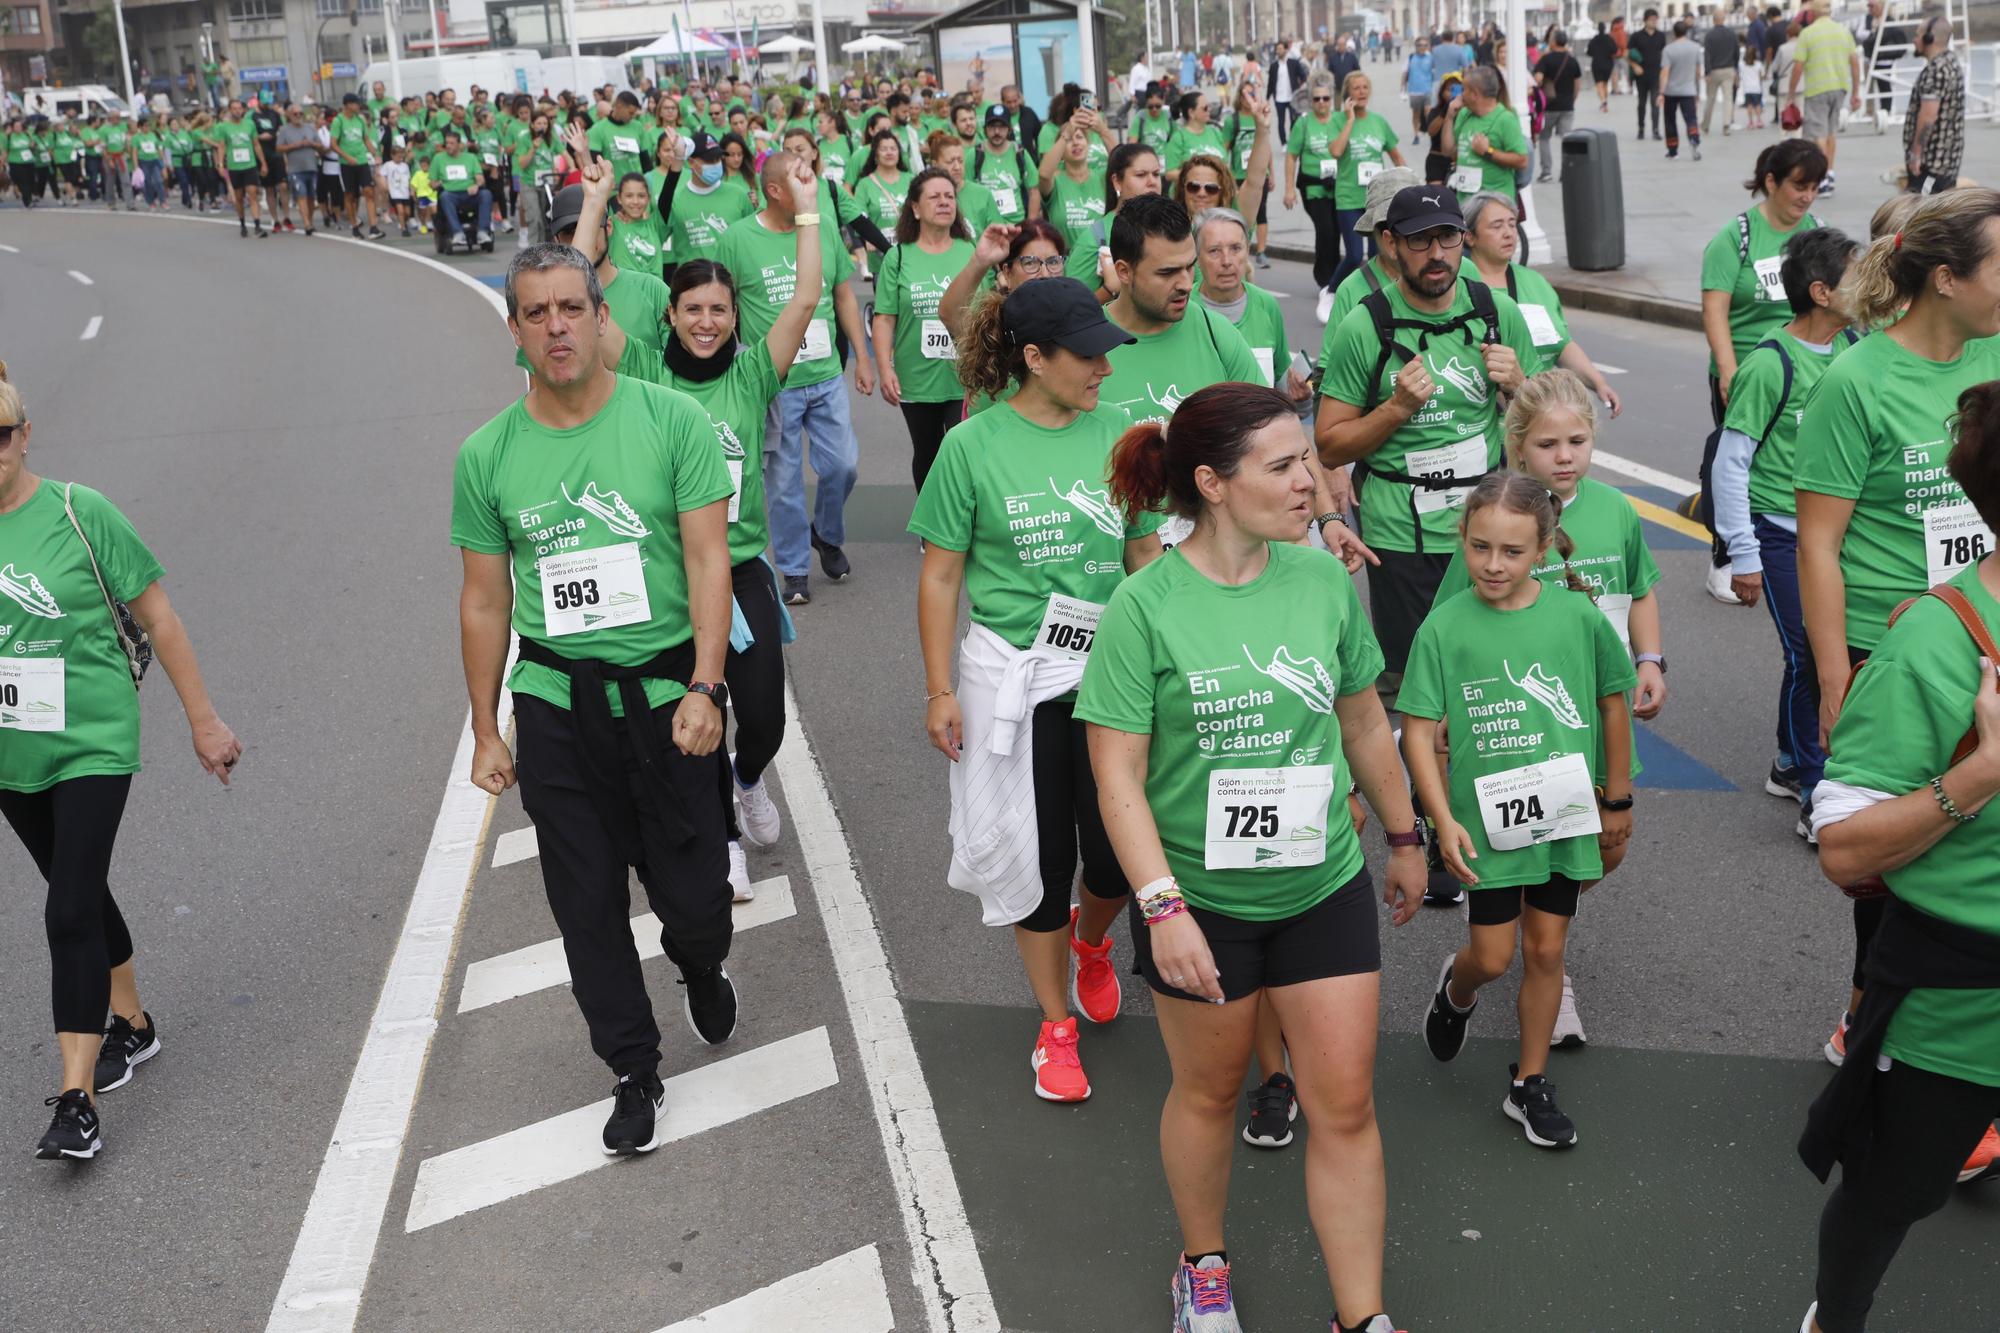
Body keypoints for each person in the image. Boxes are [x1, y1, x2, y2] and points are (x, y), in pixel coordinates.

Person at [1080, 380, 1424, 1333]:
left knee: (1344, 1103)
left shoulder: (1319, 578)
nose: (1310, 479)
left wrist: (1403, 835)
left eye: (1308, 458)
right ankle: (1203, 1266)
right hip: (1199, 902)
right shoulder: (1143, 607)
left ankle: (1363, 1317)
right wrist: (1160, 906)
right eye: (1283, 464)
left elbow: (1361, 717)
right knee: (1212, 1088)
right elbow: (1118, 778)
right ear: (1213, 483)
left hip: (1321, 885)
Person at [452, 244, 738, 1157]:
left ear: (599, 313)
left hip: (666, 696)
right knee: (584, 903)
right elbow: (485, 599)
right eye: (535, 313)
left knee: (694, 897)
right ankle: (632, 1065)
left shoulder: (671, 420)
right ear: (515, 330)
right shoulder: (486, 455)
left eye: (571, 307)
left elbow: (706, 560)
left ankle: (697, 959)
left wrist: (705, 683)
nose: (557, 327)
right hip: (557, 702)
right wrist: (483, 725)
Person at [911, 276, 1162, 1107]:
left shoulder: (1120, 433)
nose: (1103, 367)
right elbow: (941, 574)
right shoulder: (971, 447)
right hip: (1014, 679)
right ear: (1032, 357)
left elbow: (1144, 557)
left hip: (1110, 679)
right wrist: (939, 686)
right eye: (1086, 354)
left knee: (1119, 857)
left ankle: (1094, 943)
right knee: (1039, 858)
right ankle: (1054, 1023)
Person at [0, 363, 243, 1161]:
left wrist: (202, 722)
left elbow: (159, 614)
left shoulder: (78, 511)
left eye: (2, 435)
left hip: (94, 739)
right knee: (78, 883)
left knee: (66, 908)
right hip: (12, 747)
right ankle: (132, 1023)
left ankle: (77, 1101)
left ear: (26, 434)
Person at [1800, 378, 2000, 1333]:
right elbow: (1842, 849)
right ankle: (1835, 1317)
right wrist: (1983, 773)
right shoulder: (1935, 641)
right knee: (1892, 1195)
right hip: (1958, 1000)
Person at [572, 150, 823, 902]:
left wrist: (807, 210)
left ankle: (750, 780)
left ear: (733, 315)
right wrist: (592, 206)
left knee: (764, 716)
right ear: (672, 316)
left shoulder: (752, 376)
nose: (706, 321)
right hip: (668, 576)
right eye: (693, 310)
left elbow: (806, 298)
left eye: (719, 309)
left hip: (740, 570)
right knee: (696, 711)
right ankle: (723, 843)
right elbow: (583, 293)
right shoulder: (645, 372)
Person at [1795, 187, 2000, 1074]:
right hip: (1897, 654)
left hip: (1985, 641)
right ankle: (1878, 1041)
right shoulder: (1857, 380)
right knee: (1889, 876)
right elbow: (1818, 543)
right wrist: (1837, 679)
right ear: (1948, 279)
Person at [1403, 470, 1635, 1149]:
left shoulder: (1579, 617)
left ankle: (1527, 1082)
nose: (1493, 564)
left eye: (1511, 550)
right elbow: (1417, 728)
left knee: (1547, 946)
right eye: (1480, 547)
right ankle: (1458, 989)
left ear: (1544, 547)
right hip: (1485, 820)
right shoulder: (1445, 628)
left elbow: (1612, 704)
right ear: (1463, 541)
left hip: (1565, 810)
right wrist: (1441, 817)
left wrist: (1617, 796)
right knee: (1494, 954)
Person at [1315, 185, 1536, 698]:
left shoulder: (1498, 314)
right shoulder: (1364, 327)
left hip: (1488, 529)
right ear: (1391, 243)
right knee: (1418, 687)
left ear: (1464, 240)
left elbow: (1543, 427)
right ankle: (1420, 779)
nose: (1437, 254)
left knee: (1492, 677)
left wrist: (1519, 386)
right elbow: (1329, 446)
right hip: (1401, 535)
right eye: (1420, 241)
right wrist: (1395, 410)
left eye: (1448, 238)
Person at [1707, 227, 1861, 815]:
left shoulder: (1851, 345)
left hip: (1837, 535)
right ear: (1820, 292)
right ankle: (1812, 792)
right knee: (1807, 655)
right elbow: (1731, 462)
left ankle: (1789, 760)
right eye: (1854, 277)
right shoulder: (1770, 365)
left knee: (1822, 650)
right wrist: (1742, 553)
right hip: (1781, 534)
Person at [716, 152, 871, 607]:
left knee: (843, 465)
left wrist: (862, 357)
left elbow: (842, 293)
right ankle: (795, 568)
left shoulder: (821, 227)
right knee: (782, 482)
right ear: (775, 191)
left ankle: (825, 532)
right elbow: (726, 309)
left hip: (825, 375)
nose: (812, 182)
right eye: (801, 177)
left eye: (813, 173)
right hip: (772, 383)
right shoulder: (737, 240)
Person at [1099, 195, 1263, 428]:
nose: (1186, 284)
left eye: (1189, 267)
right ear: (1124, 272)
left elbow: (1269, 428)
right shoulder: (1084, 348)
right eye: (1167, 273)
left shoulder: (1216, 333)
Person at [1460, 192, 1621, 409]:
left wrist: (1598, 383)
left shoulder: (1535, 282)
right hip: (1490, 419)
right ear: (1470, 236)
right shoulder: (1462, 286)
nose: (1508, 233)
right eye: (1497, 226)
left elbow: (1561, 344)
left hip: (1539, 411)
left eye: (1511, 224)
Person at [873, 167, 975, 489]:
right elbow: (885, 317)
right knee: (928, 453)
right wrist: (884, 368)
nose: (944, 202)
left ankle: (966, 528)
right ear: (915, 208)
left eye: (949, 196)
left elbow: (985, 313)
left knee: (963, 453)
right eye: (934, 197)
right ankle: (930, 531)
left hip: (964, 376)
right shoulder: (898, 257)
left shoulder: (970, 252)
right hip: (916, 378)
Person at [1286, 75, 1349, 319]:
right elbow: (1291, 156)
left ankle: (1334, 277)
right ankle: (1325, 278)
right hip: (1313, 187)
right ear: (1310, 101)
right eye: (1317, 99)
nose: (1322, 103)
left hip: (1339, 185)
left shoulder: (1340, 120)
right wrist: (1289, 189)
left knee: (1338, 230)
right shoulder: (1303, 124)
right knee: (1326, 230)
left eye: (1325, 98)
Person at [1787, 0, 1860, 196]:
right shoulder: (1843, 32)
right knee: (1831, 133)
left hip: (1817, 88)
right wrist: (1855, 92)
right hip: (1840, 87)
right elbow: (1854, 62)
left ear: (1812, 15)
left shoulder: (1807, 33)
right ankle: (1831, 172)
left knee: (1818, 135)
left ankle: (1823, 178)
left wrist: (1791, 94)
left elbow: (1798, 67)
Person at [1037, 111, 1111, 286]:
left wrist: (1103, 131)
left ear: (1089, 143)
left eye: (1080, 137)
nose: (1075, 142)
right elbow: (1043, 174)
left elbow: (1125, 161)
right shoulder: (1055, 181)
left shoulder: (1102, 177)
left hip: (1101, 265)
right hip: (1065, 266)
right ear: (1061, 150)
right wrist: (1066, 134)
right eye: (1070, 140)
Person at [1441, 66, 1528, 203]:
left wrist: (1488, 152)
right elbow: (1447, 151)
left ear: (1475, 94)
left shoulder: (1506, 119)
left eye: (1464, 90)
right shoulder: (1464, 114)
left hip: (1495, 203)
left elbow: (1522, 160)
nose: (1461, 95)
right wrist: (1449, 117)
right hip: (1465, 202)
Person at [1903, 15, 1964, 196]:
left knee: (1921, 215)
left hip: (1931, 164)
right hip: (1948, 162)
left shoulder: (1935, 71)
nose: (1914, 40)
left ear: (1929, 38)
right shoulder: (1952, 62)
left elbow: (1928, 117)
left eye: (1918, 35)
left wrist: (1916, 154)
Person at [431, 127, 495, 253]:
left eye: (452, 143)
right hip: (451, 195)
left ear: (459, 145)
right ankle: (457, 233)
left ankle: (482, 231)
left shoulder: (470, 158)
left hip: (470, 194)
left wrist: (476, 185)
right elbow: (432, 182)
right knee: (444, 196)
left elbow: (480, 178)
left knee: (486, 194)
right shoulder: (438, 159)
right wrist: (436, 184)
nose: (448, 146)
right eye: (447, 143)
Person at [330, 93, 383, 239]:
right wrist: (346, 157)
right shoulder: (338, 121)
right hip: (347, 164)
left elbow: (366, 139)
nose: (358, 106)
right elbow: (333, 144)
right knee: (350, 195)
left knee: (369, 191)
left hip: (362, 161)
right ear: (347, 105)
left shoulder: (360, 120)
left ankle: (374, 227)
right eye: (355, 104)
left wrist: (375, 153)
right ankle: (354, 226)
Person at [212, 99, 267, 239]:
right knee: (239, 197)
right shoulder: (224, 127)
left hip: (250, 164)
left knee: (253, 193)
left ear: (243, 110)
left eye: (239, 108)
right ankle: (242, 224)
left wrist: (263, 163)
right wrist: (220, 164)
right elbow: (221, 146)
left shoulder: (249, 124)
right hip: (235, 166)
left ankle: (257, 225)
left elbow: (256, 144)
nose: (237, 111)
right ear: (230, 110)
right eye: (234, 108)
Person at [1533, 30, 1581, 182]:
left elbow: (1538, 79)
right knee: (1566, 139)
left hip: (1549, 107)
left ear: (1553, 42)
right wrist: (1571, 100)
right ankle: (1566, 171)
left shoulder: (1546, 59)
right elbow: (1577, 84)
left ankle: (1546, 172)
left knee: (1545, 138)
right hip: (1567, 106)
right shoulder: (1572, 60)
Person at [1660, 19, 1706, 161]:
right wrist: (1697, 92)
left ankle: (1673, 150)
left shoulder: (1668, 49)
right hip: (1689, 90)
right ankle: (1693, 139)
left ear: (1674, 33)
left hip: (1671, 92)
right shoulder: (1695, 47)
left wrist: (1661, 92)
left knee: (1670, 120)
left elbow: (1665, 72)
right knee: (1691, 119)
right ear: (1686, 31)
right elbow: (1698, 72)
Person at [275, 103, 318, 236]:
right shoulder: (284, 130)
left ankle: (310, 221)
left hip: (311, 166)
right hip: (296, 169)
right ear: (289, 115)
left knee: (311, 197)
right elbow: (279, 148)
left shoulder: (310, 128)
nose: (298, 116)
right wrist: (296, 145)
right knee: (302, 196)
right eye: (295, 113)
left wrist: (311, 144)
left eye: (301, 113)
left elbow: (320, 144)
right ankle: (306, 223)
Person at [1700, 7, 1741, 138]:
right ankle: (1726, 125)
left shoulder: (1709, 35)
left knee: (1710, 99)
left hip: (1714, 70)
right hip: (1729, 69)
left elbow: (1707, 55)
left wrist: (1707, 72)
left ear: (1713, 20)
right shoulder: (1732, 34)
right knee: (1728, 98)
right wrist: (1735, 68)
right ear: (1724, 19)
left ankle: (1705, 126)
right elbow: (1737, 52)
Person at [1628, 9, 1667, 140]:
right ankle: (1641, 128)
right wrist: (1635, 66)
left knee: (1655, 103)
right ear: (1645, 20)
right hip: (1641, 75)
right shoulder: (1636, 36)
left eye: (1656, 19)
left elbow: (1664, 54)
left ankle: (1655, 130)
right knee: (1642, 103)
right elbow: (1627, 54)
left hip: (1656, 74)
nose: (1654, 22)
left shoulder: (1661, 36)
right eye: (1651, 19)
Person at [1404, 36, 1436, 142]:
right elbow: (1405, 73)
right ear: (1416, 46)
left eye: (1425, 45)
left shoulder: (1431, 58)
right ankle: (1416, 135)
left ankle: (1431, 134)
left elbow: (1435, 72)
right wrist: (1402, 88)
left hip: (1427, 90)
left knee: (1428, 112)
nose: (1422, 47)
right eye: (1420, 45)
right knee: (1416, 114)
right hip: (1414, 91)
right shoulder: (1411, 58)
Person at [1587, 22, 1617, 112]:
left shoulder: (1594, 40)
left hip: (1597, 64)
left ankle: (1603, 101)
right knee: (1605, 83)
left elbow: (1589, 52)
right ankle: (1605, 101)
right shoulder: (1609, 39)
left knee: (1599, 84)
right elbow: (1614, 50)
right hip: (1608, 63)